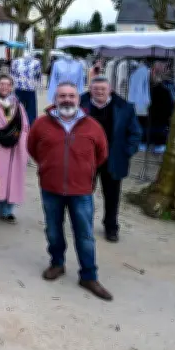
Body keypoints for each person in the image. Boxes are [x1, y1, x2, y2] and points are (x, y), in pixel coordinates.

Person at [27, 82, 112, 301]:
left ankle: (89, 275)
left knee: (84, 235)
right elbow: (32, 148)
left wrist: (84, 171)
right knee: (53, 230)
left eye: (71, 96)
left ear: (78, 99)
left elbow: (101, 154)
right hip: (51, 187)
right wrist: (48, 167)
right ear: (55, 99)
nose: (67, 99)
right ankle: (57, 264)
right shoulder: (41, 124)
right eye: (62, 95)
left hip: (81, 190)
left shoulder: (92, 126)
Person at [80, 76, 141, 242]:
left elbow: (135, 133)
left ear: (110, 90)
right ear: (90, 89)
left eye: (103, 89)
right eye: (96, 89)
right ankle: (84, 225)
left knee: (112, 195)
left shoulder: (124, 107)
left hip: (113, 158)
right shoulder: (80, 104)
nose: (99, 92)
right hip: (86, 158)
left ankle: (111, 227)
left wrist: (127, 151)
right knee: (83, 194)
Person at [0, 74, 30, 224]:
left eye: (7, 84)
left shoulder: (17, 104)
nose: (4, 87)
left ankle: (7, 211)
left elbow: (25, 125)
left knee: (12, 179)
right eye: (2, 84)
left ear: (11, 87)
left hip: (14, 147)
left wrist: (22, 140)